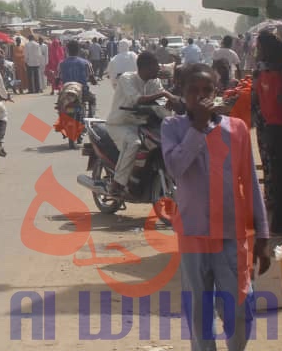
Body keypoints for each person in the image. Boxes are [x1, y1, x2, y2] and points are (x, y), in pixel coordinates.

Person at [162, 64, 270, 351]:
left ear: (217, 92)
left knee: (240, 307)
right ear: (182, 93)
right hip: (193, 233)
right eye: (193, 90)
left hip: (231, 232)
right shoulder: (172, 127)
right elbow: (175, 167)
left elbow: (250, 182)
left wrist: (263, 235)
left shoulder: (236, 129)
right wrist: (197, 127)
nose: (200, 96)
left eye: (207, 90)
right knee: (199, 310)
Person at [105, 51, 174, 196]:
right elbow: (137, 99)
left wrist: (171, 100)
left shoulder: (154, 81)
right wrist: (164, 94)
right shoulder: (127, 78)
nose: (158, 69)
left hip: (142, 124)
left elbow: (162, 102)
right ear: (145, 67)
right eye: (155, 66)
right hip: (120, 124)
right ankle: (117, 183)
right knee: (134, 143)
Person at [253, 31, 282, 236]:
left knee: (281, 177)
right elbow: (281, 99)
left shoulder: (262, 72)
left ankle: (279, 221)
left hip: (272, 128)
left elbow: (258, 97)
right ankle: (279, 224)